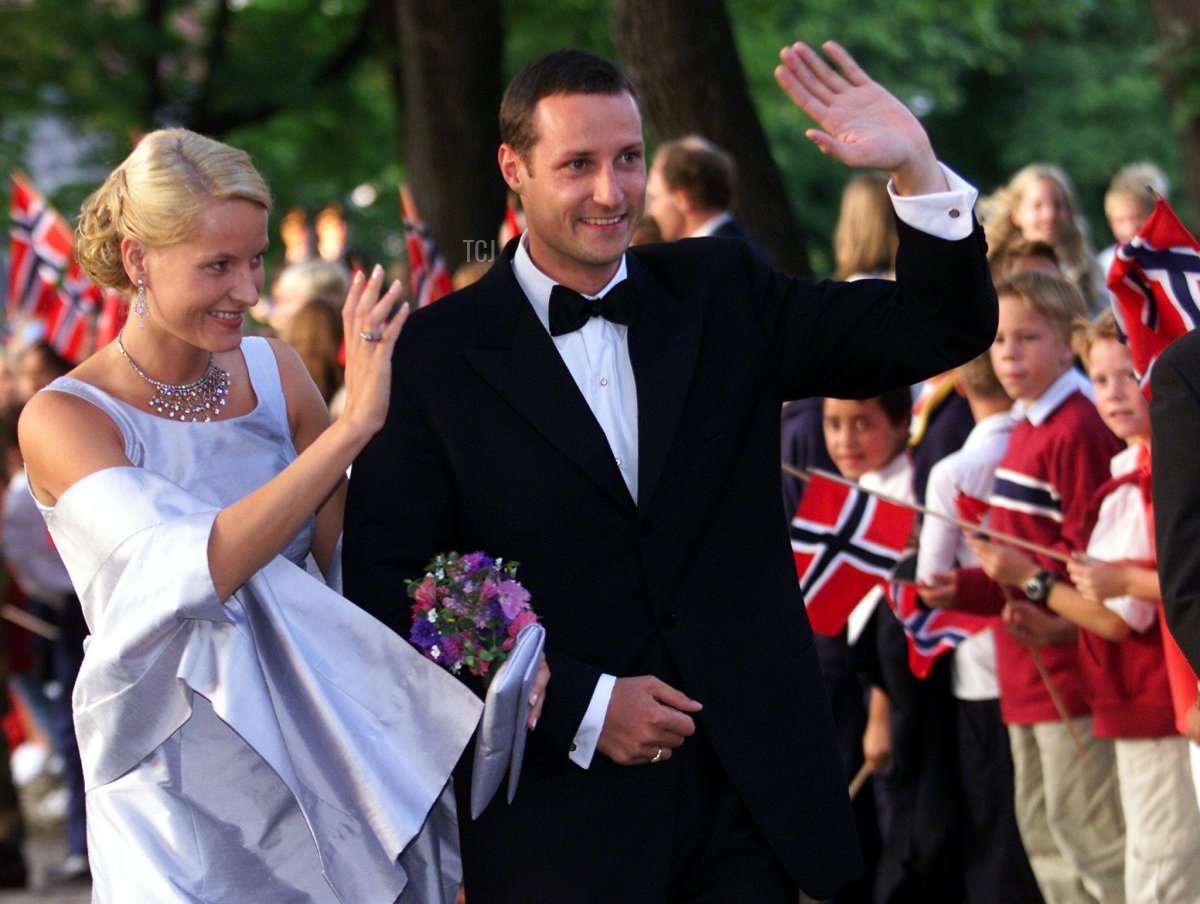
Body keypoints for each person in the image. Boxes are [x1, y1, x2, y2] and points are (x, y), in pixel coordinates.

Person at [344, 42, 996, 902]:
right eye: (577, 165)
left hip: (751, 798)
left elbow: (932, 330)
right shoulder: (435, 351)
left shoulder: (722, 288)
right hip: (563, 822)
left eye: (628, 159)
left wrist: (916, 168)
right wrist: (576, 702)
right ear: (515, 169)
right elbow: (404, 580)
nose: (612, 192)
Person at [16, 128, 501, 902]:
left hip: (316, 766)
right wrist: (349, 431)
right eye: (218, 265)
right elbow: (183, 566)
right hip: (166, 790)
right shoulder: (64, 418)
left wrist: (503, 641)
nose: (247, 290)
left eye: (256, 259)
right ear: (138, 259)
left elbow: (370, 562)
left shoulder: (276, 370)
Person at [971, 311, 1200, 902]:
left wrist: (1038, 584)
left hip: (1155, 697)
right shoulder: (1125, 472)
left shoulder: (1146, 481)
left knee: (1157, 865)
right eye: (1103, 380)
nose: (1116, 393)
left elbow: (1120, 616)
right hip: (1133, 696)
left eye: (1131, 375)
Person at [923, 270, 1126, 903]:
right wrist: (962, 590)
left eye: (1026, 339)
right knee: (1044, 836)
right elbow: (1014, 566)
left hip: (1071, 674)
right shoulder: (1027, 426)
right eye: (1000, 340)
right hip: (1025, 673)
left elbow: (1087, 568)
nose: (1007, 354)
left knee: (1093, 839)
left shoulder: (1075, 428)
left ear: (1067, 346)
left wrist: (1042, 603)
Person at [916, 352, 1044, 904]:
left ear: (962, 390)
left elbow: (930, 577)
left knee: (1000, 822)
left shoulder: (954, 471)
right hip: (1050, 646)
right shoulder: (1034, 443)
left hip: (984, 668)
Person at [981, 164, 1106, 318]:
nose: (1049, 215)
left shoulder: (1087, 272)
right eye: (1037, 206)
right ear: (1017, 213)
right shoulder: (991, 269)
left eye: (1058, 205)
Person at [645, 134, 772, 260]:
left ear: (682, 200)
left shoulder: (717, 260)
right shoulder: (739, 247)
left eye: (654, 199)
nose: (651, 211)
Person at [1096, 163, 1168, 278]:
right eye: (1120, 220)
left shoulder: (1182, 255)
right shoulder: (1105, 266)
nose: (1130, 229)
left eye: (1137, 218)